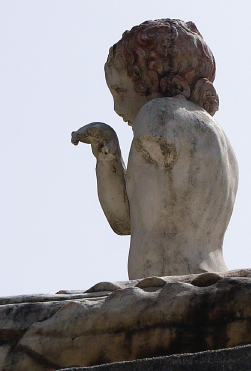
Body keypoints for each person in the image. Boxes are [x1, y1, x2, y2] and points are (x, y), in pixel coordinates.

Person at [72, 19, 238, 279]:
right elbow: (126, 222)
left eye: (121, 90)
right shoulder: (217, 137)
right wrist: (109, 160)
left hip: (169, 281)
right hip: (201, 275)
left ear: (150, 79)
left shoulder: (158, 115)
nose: (117, 108)